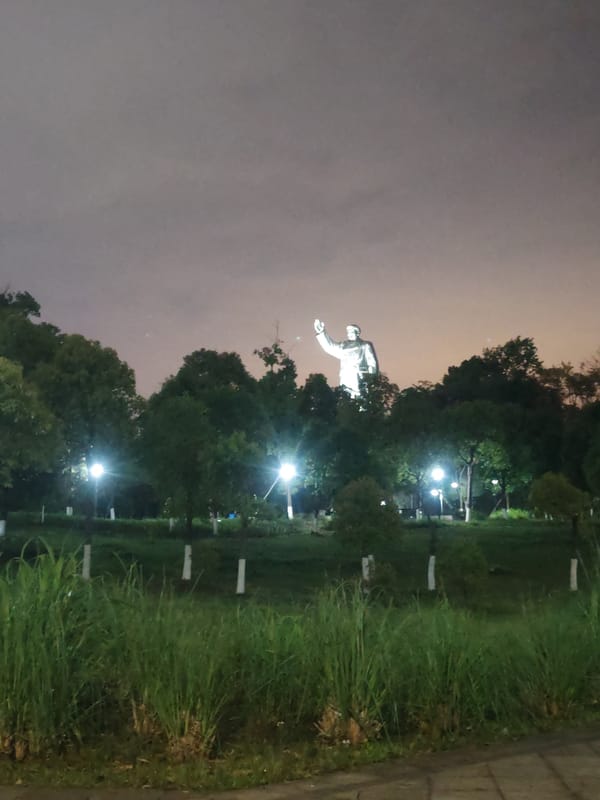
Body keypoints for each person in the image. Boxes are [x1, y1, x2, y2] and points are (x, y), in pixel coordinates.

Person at [314, 319, 378, 398]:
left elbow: (372, 365)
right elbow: (330, 347)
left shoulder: (364, 345)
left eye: (351, 332)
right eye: (348, 332)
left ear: (357, 333)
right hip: (346, 379)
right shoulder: (343, 346)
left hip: (359, 379)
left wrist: (370, 379)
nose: (349, 334)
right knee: (345, 403)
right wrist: (321, 333)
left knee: (361, 403)